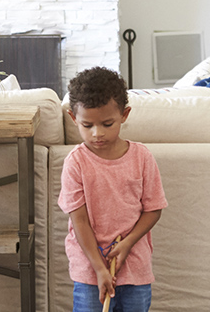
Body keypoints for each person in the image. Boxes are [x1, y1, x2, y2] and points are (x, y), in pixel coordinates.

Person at [59, 67, 167, 312]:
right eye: (87, 125)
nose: (97, 133)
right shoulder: (75, 163)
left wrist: (128, 243)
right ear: (73, 118)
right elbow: (80, 222)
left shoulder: (142, 157)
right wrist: (99, 268)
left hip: (135, 268)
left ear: (124, 114)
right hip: (89, 271)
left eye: (107, 124)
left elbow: (153, 209)